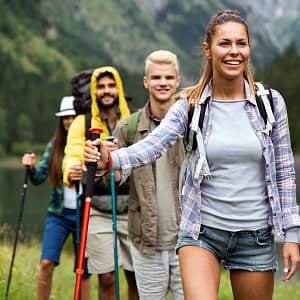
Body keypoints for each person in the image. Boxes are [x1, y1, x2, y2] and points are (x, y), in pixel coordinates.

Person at [84, 10, 300, 300]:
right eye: (225, 43)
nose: (234, 51)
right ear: (208, 50)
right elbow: (153, 144)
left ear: (249, 48)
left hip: (256, 234)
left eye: (241, 43)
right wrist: (111, 160)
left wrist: (291, 235)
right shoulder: (191, 104)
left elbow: (284, 171)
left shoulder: (270, 104)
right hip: (202, 232)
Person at [113, 50, 184, 299]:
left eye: (168, 77)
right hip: (146, 240)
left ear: (177, 81)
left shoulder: (194, 123)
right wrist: (106, 167)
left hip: (189, 241)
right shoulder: (127, 128)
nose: (162, 83)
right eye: (156, 78)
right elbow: (116, 178)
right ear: (146, 82)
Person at [62, 66, 138, 300]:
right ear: (94, 91)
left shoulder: (133, 120)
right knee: (105, 276)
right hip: (97, 208)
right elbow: (73, 153)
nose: (107, 91)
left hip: (133, 209)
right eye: (101, 87)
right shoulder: (82, 123)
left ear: (119, 89)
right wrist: (71, 170)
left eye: (111, 85)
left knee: (136, 277)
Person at [22, 96, 91, 300]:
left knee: (84, 269)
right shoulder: (55, 146)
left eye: (73, 117)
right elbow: (38, 177)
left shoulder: (88, 145)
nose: (69, 121)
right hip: (58, 215)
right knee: (46, 263)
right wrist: (30, 167)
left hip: (84, 214)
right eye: (65, 118)